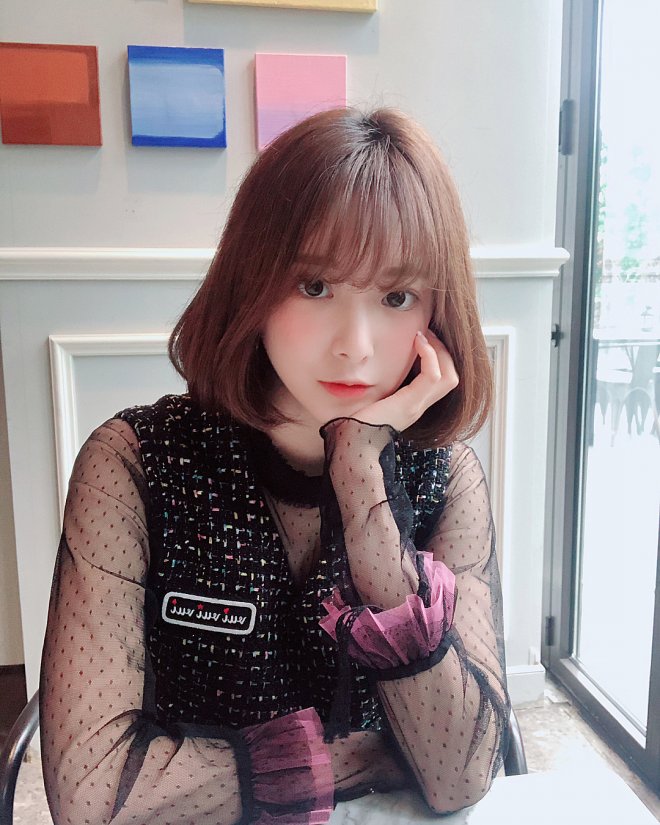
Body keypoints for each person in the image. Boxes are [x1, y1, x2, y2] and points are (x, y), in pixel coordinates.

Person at [39, 107, 510, 825]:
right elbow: (95, 795)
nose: (354, 345)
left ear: (436, 315)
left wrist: (362, 473)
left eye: (397, 297)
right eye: (314, 286)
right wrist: (365, 757)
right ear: (252, 284)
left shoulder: (445, 478)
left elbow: (460, 774)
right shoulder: (135, 464)